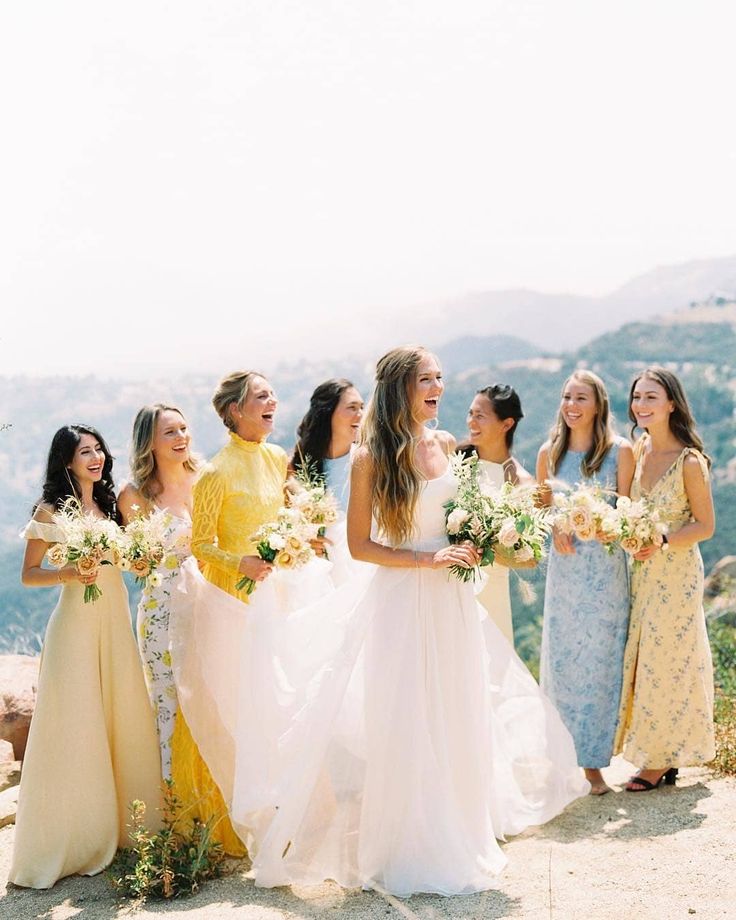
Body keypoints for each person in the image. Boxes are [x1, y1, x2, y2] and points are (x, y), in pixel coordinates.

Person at [171, 345, 589, 897]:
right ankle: (407, 844)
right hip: (400, 598)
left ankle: (462, 830)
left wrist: (484, 540)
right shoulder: (371, 457)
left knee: (455, 707)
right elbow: (361, 545)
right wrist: (426, 559)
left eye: (439, 377)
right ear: (400, 388)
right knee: (407, 716)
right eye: (425, 379)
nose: (437, 387)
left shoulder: (445, 445)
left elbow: (460, 520)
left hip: (452, 601)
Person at [10, 425, 161, 889]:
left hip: (114, 626)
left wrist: (138, 560)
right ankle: (71, 839)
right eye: (84, 451)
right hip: (75, 629)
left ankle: (124, 828)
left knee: (120, 718)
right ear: (67, 461)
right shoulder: (52, 510)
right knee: (75, 728)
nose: (95, 457)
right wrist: (70, 573)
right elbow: (29, 575)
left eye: (98, 449)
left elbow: (135, 561)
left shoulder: (113, 506)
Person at [169, 370, 285, 857]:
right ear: (235, 411)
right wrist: (240, 562)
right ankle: (225, 818)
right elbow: (199, 545)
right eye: (261, 396)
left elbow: (281, 522)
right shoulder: (215, 472)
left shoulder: (278, 458)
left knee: (272, 699)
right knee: (233, 701)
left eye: (272, 394)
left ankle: (276, 807)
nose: (272, 401)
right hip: (228, 599)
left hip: (275, 595)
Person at [614, 366, 715, 791]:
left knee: (668, 661)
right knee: (645, 660)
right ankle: (657, 751)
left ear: (672, 403)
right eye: (637, 397)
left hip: (676, 572)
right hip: (642, 570)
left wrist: (662, 538)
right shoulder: (637, 450)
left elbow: (705, 526)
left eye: (651, 397)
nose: (641, 405)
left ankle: (659, 761)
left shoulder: (689, 461)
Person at [537, 370, 634, 795]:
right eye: (566, 397)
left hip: (607, 577)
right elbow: (540, 511)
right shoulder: (548, 454)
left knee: (601, 666)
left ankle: (595, 763)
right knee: (564, 665)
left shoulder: (621, 452)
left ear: (598, 404)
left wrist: (606, 525)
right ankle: (561, 760)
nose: (571, 405)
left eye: (581, 397)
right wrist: (555, 524)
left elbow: (629, 515)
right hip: (566, 576)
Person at [118, 404, 199, 780]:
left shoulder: (205, 479)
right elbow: (134, 561)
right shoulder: (134, 496)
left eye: (183, 429)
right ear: (148, 441)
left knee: (207, 695)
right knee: (168, 700)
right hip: (161, 609)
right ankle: (171, 802)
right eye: (170, 432)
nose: (181, 437)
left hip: (207, 601)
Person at [460, 384, 534, 644]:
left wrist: (487, 547)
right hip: (448, 584)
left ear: (506, 424)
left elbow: (530, 558)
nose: (471, 421)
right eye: (470, 413)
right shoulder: (456, 463)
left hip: (492, 593)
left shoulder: (521, 483)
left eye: (480, 415)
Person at [291, 378, 364, 513]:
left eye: (361, 408)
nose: (361, 415)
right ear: (327, 413)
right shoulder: (298, 464)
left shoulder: (367, 461)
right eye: (352, 407)